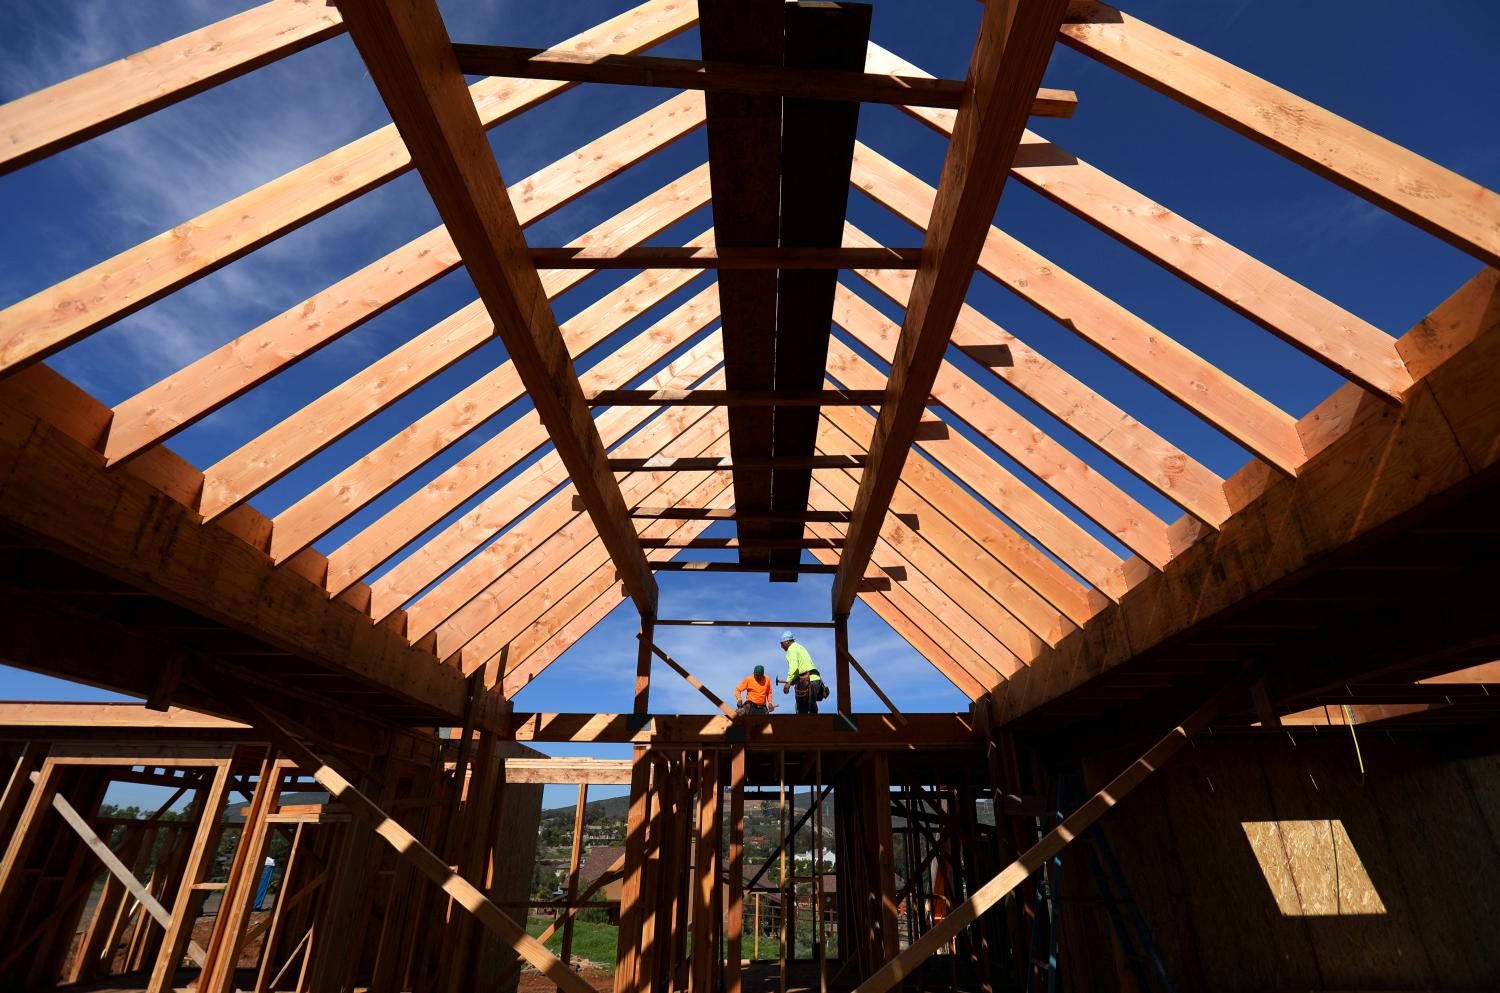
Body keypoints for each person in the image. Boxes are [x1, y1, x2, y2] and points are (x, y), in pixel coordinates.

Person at [780, 630, 824, 714]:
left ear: (787, 641)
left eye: (782, 643)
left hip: (808, 681)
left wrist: (788, 683)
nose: (781, 646)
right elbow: (800, 669)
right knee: (812, 708)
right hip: (816, 679)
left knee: (802, 711)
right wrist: (793, 680)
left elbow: (794, 668)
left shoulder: (791, 649)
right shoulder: (799, 647)